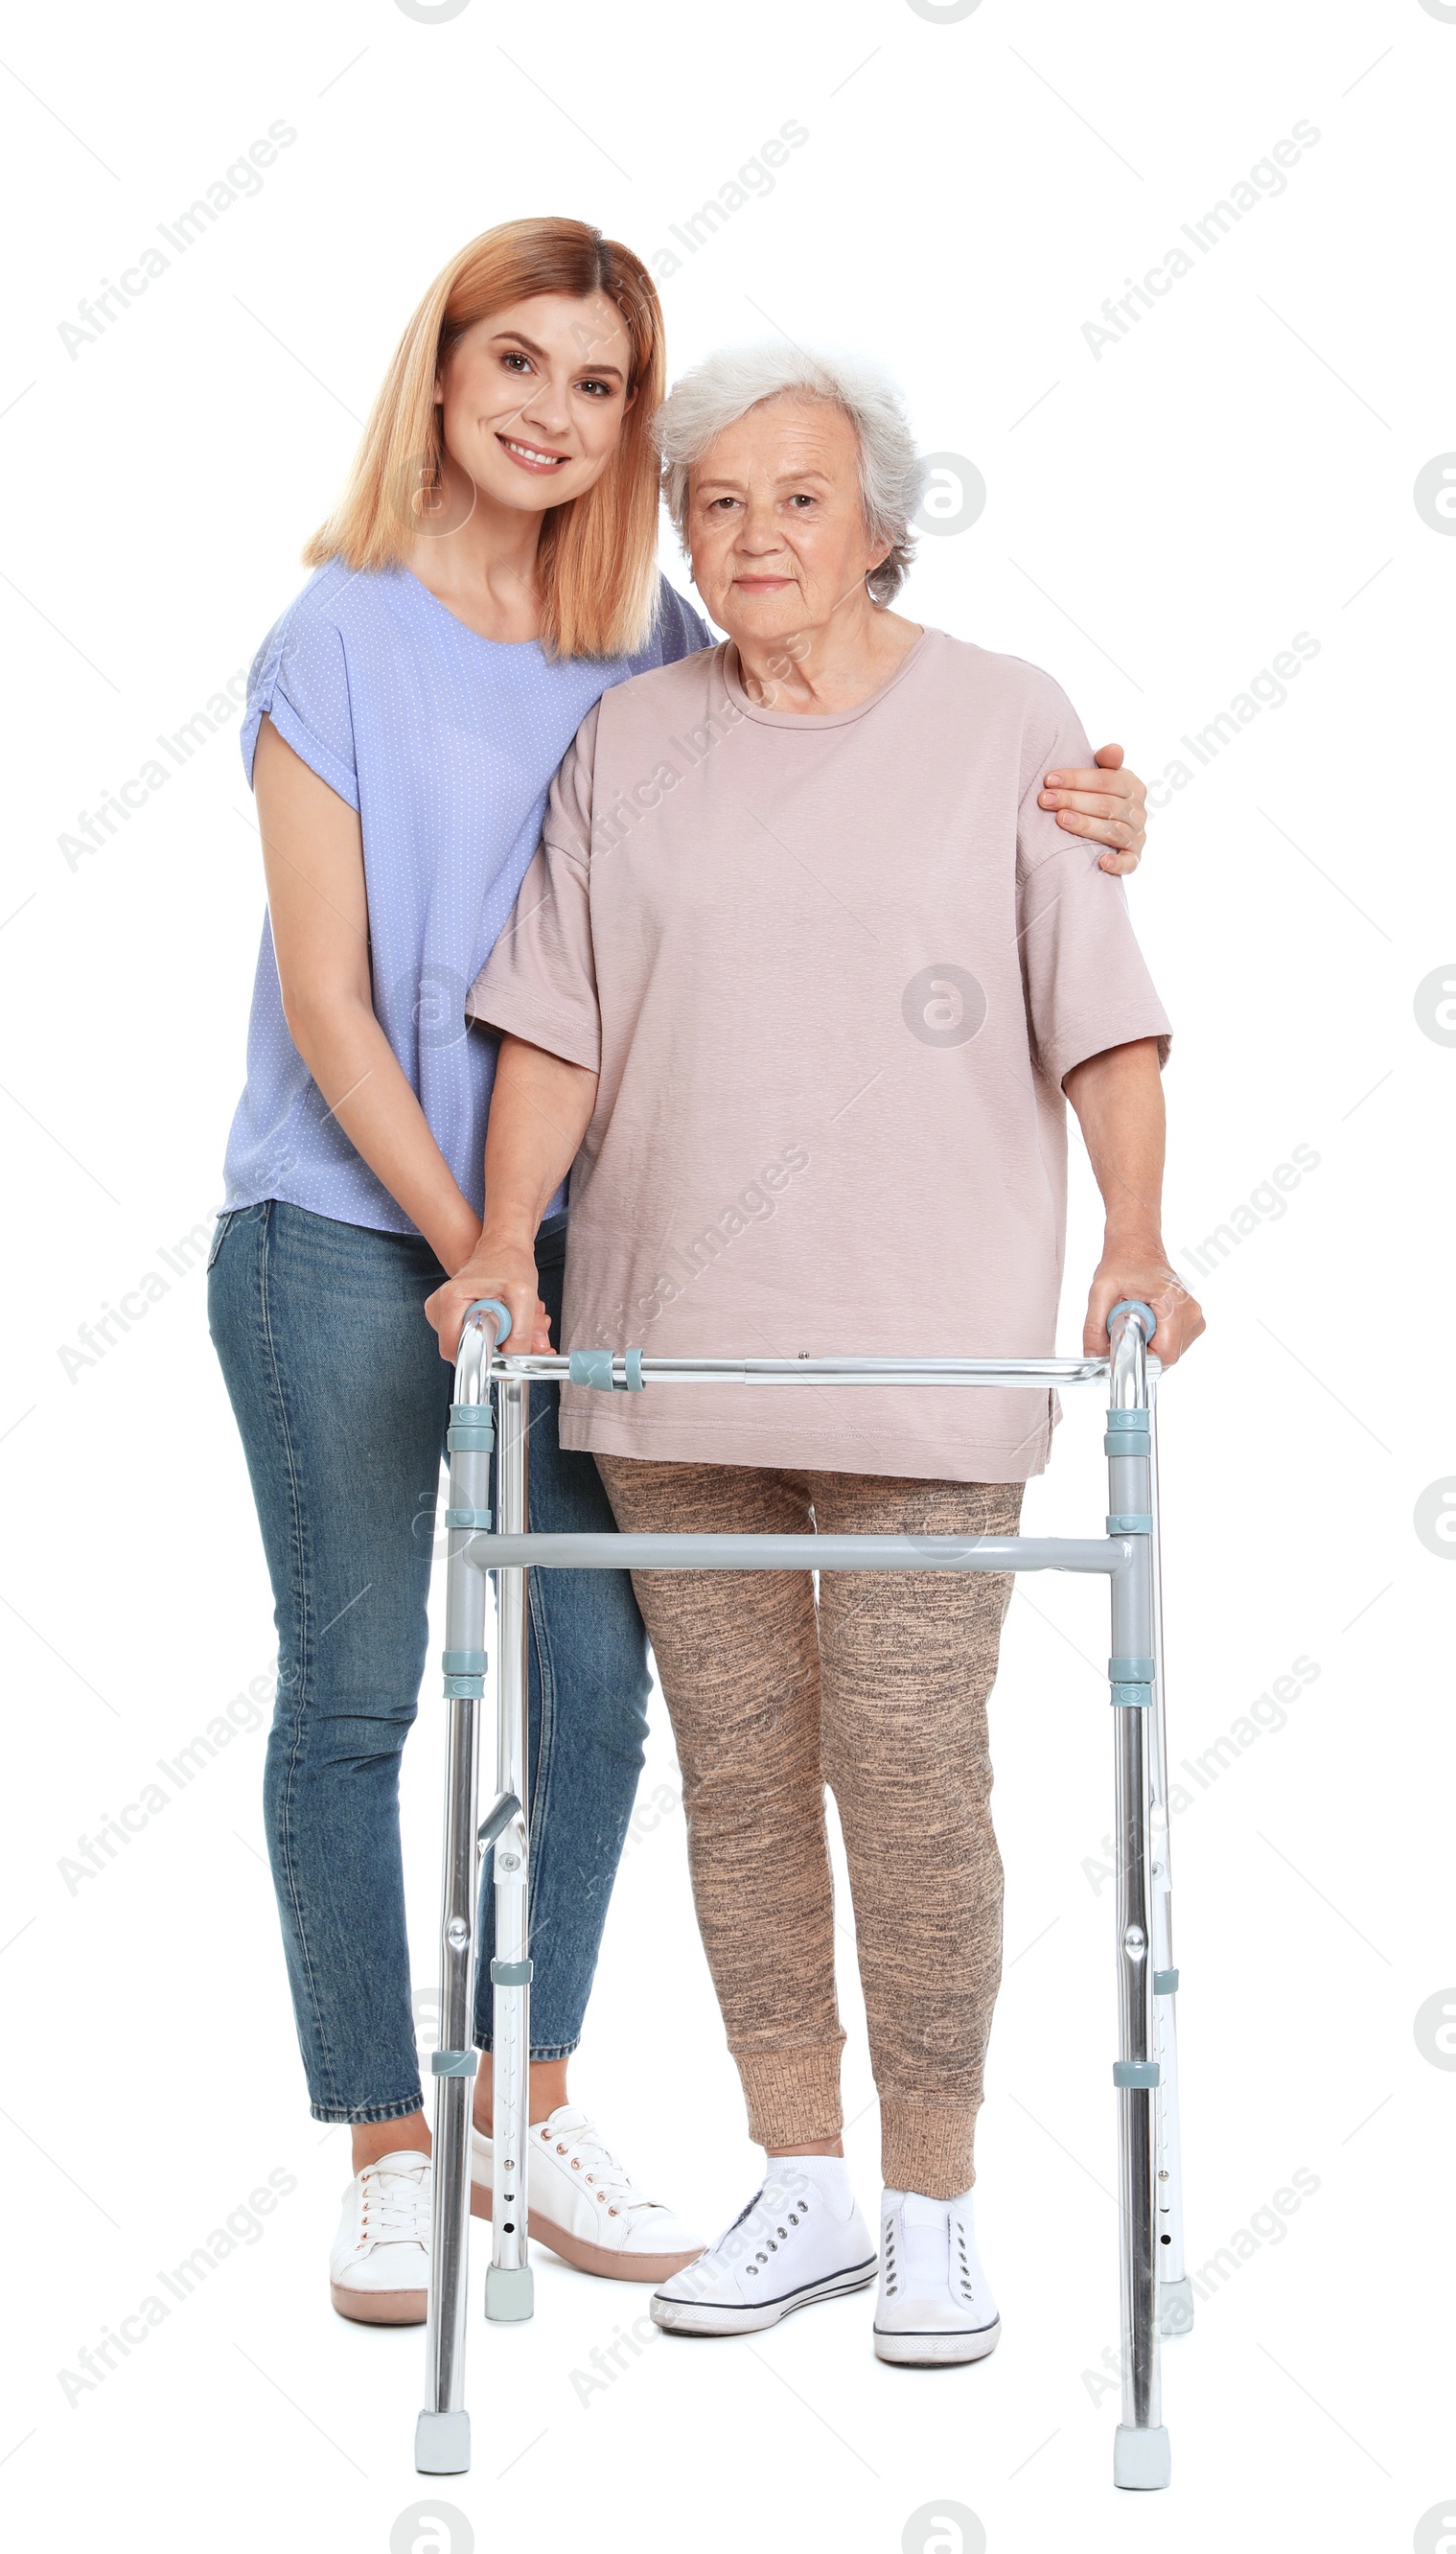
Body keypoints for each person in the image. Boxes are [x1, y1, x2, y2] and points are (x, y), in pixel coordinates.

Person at [208, 219, 1154, 2326]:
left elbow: (857, 784)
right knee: (365, 1695)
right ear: (437, 381)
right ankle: (388, 2144)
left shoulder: (633, 636)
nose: (555, 414)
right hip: (353, 1236)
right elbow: (351, 1000)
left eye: (601, 384)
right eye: (515, 367)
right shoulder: (338, 636)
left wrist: (1088, 812)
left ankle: (565, 2105)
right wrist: (468, 1241)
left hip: (575, 1282)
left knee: (614, 1695)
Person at [430, 340, 1203, 2370]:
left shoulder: (1008, 723)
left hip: (927, 1359)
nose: (751, 535)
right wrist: (507, 1238)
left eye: (795, 499)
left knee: (912, 1769)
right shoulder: (633, 741)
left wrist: (1132, 1233)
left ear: (877, 526)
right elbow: (557, 1025)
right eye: (713, 503)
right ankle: (797, 2185)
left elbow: (1093, 1012)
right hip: (670, 1350)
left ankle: (933, 2197)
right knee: (747, 1785)